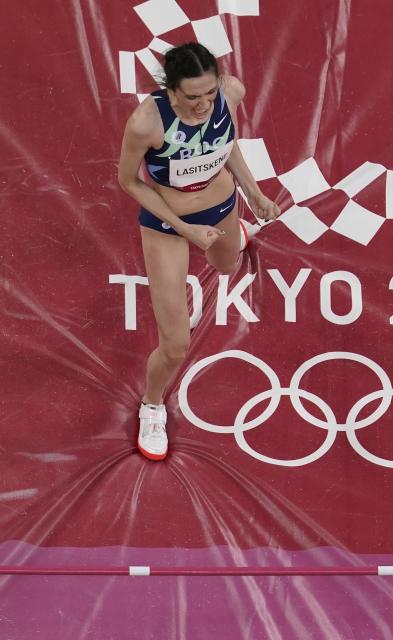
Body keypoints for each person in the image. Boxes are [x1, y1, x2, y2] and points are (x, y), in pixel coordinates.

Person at [117, 42, 279, 461]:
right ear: (172, 92)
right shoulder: (145, 123)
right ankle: (152, 405)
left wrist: (254, 192)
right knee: (174, 345)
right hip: (170, 225)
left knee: (225, 265)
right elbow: (129, 182)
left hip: (222, 205)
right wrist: (186, 228)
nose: (204, 104)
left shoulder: (230, 93)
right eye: (193, 97)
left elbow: (226, 144)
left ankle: (237, 234)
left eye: (210, 93)